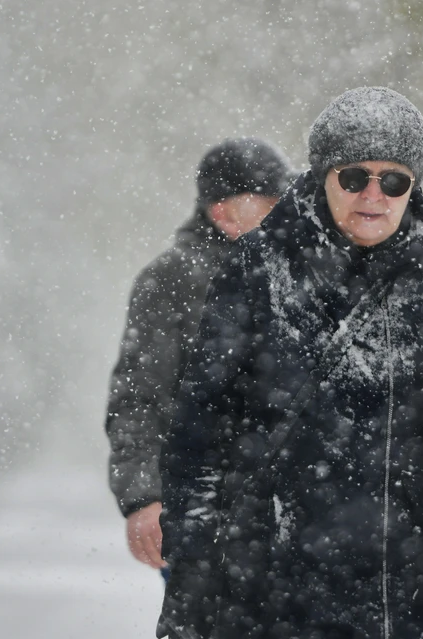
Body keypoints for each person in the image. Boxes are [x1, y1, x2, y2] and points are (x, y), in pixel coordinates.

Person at [160, 88, 423, 639]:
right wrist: (187, 595)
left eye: (394, 180)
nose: (373, 194)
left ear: (412, 188)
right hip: (268, 595)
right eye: (355, 177)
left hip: (405, 598)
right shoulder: (258, 269)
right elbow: (198, 437)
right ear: (325, 176)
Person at [105, 138, 295, 575]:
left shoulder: (299, 274)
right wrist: (143, 499)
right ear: (223, 213)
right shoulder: (170, 281)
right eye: (266, 203)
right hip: (202, 520)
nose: (282, 214)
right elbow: (138, 397)